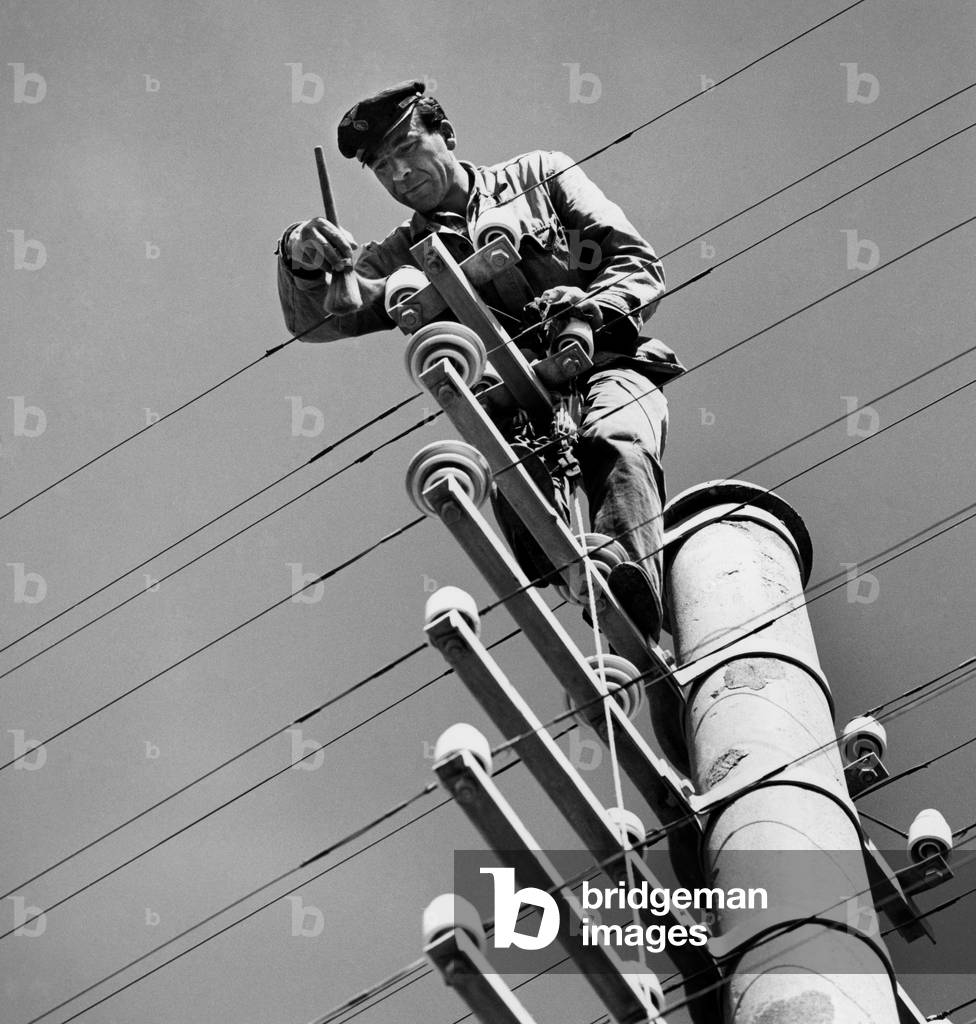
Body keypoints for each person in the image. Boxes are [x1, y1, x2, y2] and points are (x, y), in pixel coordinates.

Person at [275, 80, 685, 643]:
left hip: (609, 360)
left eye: (406, 149)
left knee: (616, 440)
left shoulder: (538, 176)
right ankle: (553, 546)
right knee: (520, 489)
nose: (397, 175)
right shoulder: (397, 257)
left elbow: (637, 264)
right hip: (513, 407)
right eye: (380, 166)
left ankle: (625, 587)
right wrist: (301, 257)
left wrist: (586, 317)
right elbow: (317, 319)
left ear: (446, 134)